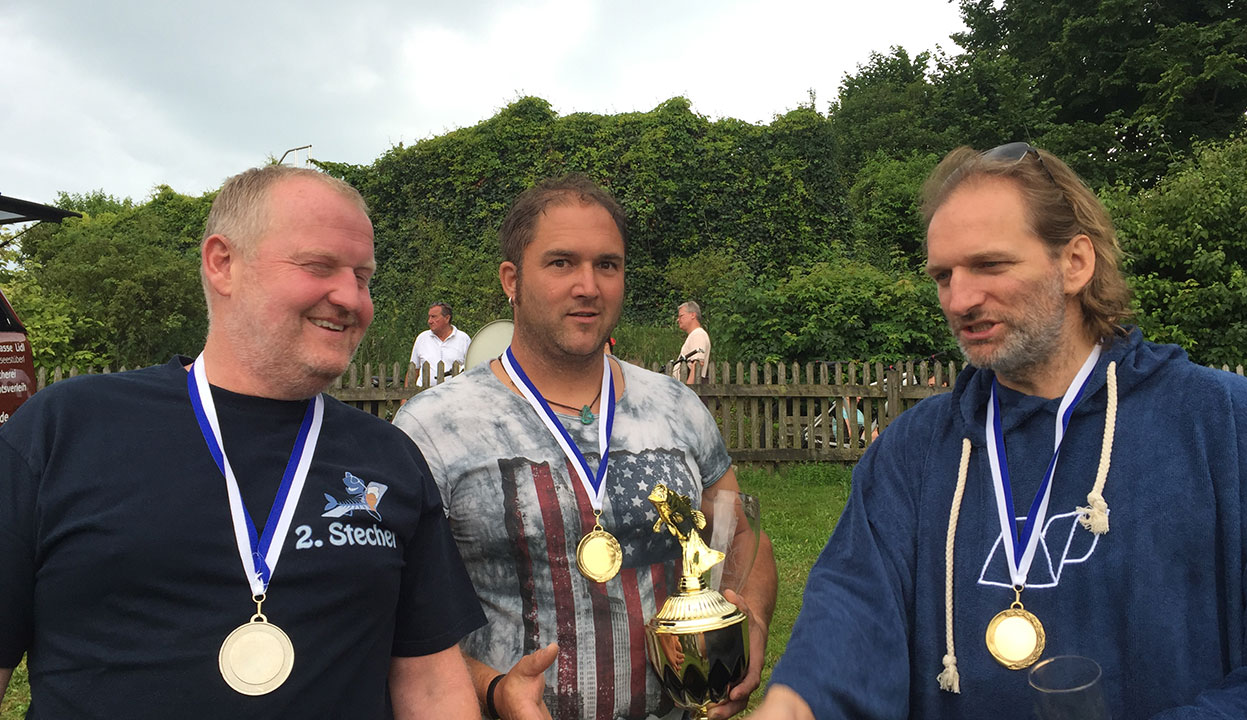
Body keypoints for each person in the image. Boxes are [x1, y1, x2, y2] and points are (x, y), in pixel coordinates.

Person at [750, 143, 1247, 719]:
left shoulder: (1226, 425)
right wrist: (795, 702)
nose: (960, 299)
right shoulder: (914, 452)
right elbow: (851, 610)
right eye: (943, 276)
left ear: (1076, 263)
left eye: (989, 266)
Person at [0, 166, 487, 719]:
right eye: (320, 266)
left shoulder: (389, 457)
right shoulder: (64, 429)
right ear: (223, 263)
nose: (351, 297)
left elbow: (429, 683)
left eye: (363, 276)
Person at [394, 174, 777, 720]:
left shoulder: (676, 407)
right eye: (561, 263)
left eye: (607, 265)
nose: (588, 286)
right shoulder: (434, 427)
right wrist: (493, 689)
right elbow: (399, 614)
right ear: (511, 279)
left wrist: (754, 619)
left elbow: (739, 533)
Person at [406, 302, 472, 388]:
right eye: (429, 317)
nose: (429, 321)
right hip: (424, 395)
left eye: (434, 317)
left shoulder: (463, 339)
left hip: (454, 395)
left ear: (447, 318)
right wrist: (404, 399)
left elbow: (471, 370)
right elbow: (414, 370)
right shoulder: (422, 338)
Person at [675, 301, 711, 384]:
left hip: (692, 391)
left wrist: (687, 390)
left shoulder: (698, 334)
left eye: (681, 316)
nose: (678, 319)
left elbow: (697, 364)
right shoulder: (695, 334)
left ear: (693, 315)